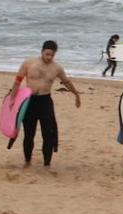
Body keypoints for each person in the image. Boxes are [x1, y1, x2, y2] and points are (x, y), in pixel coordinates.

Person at [9, 40, 81, 168]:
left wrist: (76, 94)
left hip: (45, 102)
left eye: (52, 55)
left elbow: (67, 82)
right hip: (29, 102)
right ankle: (27, 161)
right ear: (42, 51)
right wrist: (12, 99)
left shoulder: (57, 68)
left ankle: (47, 164)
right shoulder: (28, 63)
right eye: (47, 54)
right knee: (29, 134)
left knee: (48, 134)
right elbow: (17, 82)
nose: (49, 57)